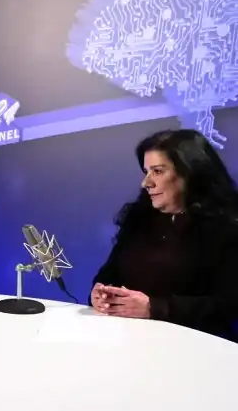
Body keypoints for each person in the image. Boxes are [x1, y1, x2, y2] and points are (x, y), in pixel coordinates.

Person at [89, 129, 238, 340]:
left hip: (197, 345)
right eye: (146, 172)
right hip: (129, 340)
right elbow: (109, 274)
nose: (146, 183)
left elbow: (228, 304)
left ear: (190, 173)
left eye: (158, 171)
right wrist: (101, 294)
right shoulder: (139, 217)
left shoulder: (228, 227)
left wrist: (154, 308)